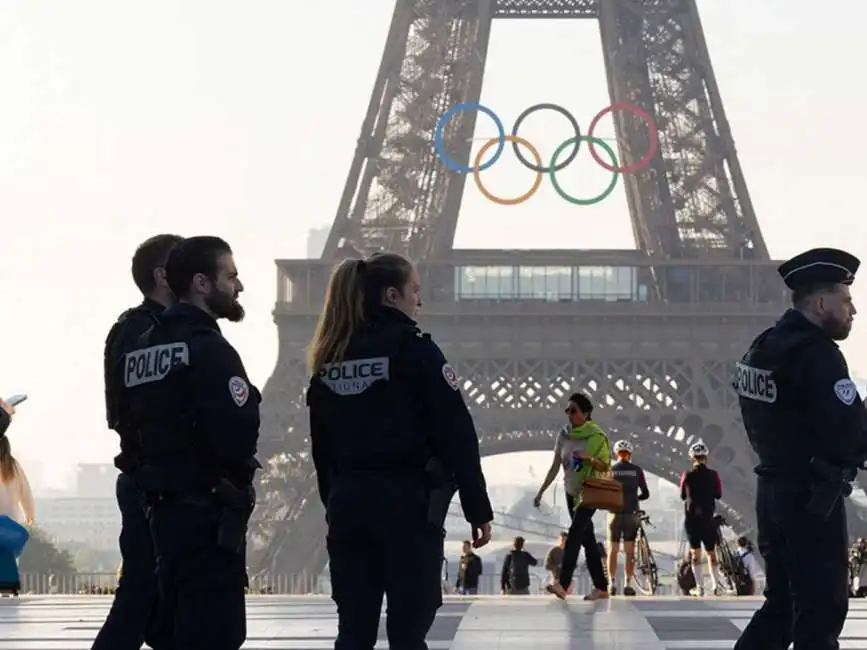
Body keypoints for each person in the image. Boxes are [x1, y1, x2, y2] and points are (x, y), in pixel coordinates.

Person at [305, 252, 494, 649]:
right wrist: (478, 508)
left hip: (349, 504)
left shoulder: (330, 358)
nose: (419, 301)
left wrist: (337, 501)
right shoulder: (415, 350)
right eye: (415, 291)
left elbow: (322, 449)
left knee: (353, 630)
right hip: (406, 506)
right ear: (393, 295)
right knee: (409, 629)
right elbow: (456, 434)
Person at [124, 236, 260, 650]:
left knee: (175, 630)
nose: (238, 287)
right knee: (216, 633)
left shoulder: (143, 348)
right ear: (202, 283)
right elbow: (237, 433)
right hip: (207, 515)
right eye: (230, 276)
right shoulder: (211, 349)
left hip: (161, 511)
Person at [734, 248, 867, 650]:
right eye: (846, 301)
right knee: (821, 610)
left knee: (781, 606)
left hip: (772, 489)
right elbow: (851, 434)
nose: (854, 310)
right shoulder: (818, 356)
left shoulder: (765, 345)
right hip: (811, 497)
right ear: (821, 303)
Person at [93, 233, 182, 650]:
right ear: (164, 275)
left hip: (146, 474)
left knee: (155, 601)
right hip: (153, 479)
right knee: (141, 594)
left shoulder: (130, 329)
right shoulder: (150, 331)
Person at [544, 393, 611, 600]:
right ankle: (601, 587)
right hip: (571, 491)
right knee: (588, 540)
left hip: (589, 491)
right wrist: (542, 490)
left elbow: (605, 465)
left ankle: (563, 584)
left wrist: (588, 457)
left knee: (573, 535)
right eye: (567, 410)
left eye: (573, 410)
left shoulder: (596, 436)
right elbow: (556, 464)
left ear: (586, 413)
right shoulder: (563, 435)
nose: (569, 414)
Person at [680, 441, 724, 596]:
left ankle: (700, 588)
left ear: (692, 458)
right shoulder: (714, 475)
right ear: (706, 458)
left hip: (692, 518)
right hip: (708, 517)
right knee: (712, 553)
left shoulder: (687, 475)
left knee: (695, 554)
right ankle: (715, 585)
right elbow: (718, 494)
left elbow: (682, 495)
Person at [608, 439, 650, 596]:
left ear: (616, 453)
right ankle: (628, 584)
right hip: (631, 513)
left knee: (613, 549)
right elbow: (646, 493)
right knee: (629, 551)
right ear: (630, 454)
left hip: (614, 513)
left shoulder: (610, 470)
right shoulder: (637, 470)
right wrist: (634, 498)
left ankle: (611, 583)